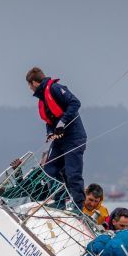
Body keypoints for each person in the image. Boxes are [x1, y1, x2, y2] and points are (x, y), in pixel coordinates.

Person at [26, 67, 87, 210]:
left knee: (73, 174)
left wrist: (62, 123)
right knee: (50, 170)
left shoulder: (55, 88)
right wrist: (50, 132)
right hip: (59, 140)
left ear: (34, 82)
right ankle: (60, 202)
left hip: (74, 138)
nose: (29, 88)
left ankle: (78, 208)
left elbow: (75, 103)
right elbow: (49, 121)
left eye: (29, 85)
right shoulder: (42, 99)